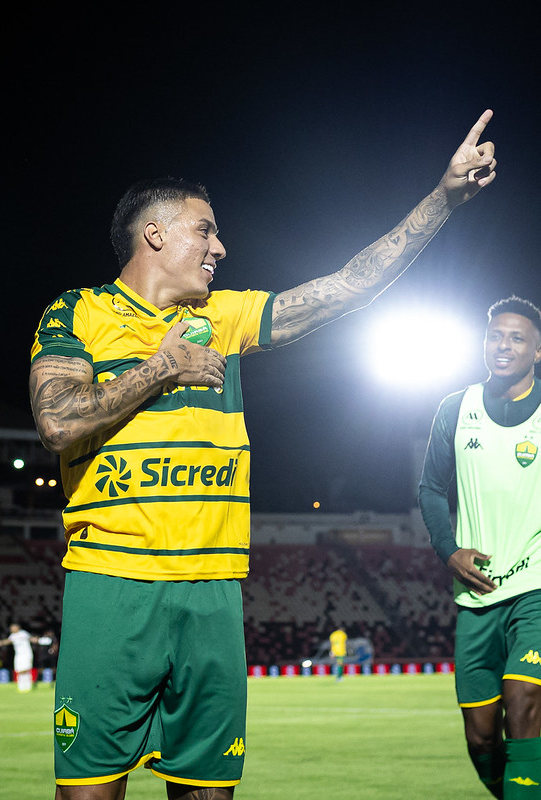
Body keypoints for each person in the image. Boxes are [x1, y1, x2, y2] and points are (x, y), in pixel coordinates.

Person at [29, 110, 496, 800]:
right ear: (153, 232)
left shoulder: (227, 318)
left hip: (215, 591)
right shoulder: (78, 313)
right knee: (90, 794)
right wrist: (159, 369)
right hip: (113, 584)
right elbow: (57, 422)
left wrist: (444, 199)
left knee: (209, 792)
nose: (221, 246)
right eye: (205, 228)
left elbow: (348, 285)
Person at [419, 296, 541, 798]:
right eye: (496, 335)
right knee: (482, 736)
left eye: (517, 337)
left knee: (524, 700)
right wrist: (449, 550)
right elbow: (429, 489)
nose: (504, 344)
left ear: (537, 350)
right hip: (476, 594)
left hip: (536, 585)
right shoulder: (456, 407)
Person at [0, 623, 40, 692]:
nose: (11, 629)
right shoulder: (13, 636)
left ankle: (28, 686)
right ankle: (21, 686)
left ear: (17, 627)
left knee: (26, 670)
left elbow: (31, 639)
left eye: (13, 627)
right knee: (19, 670)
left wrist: (38, 640)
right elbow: (8, 641)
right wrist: (0, 643)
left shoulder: (23, 633)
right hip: (19, 655)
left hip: (26, 654)